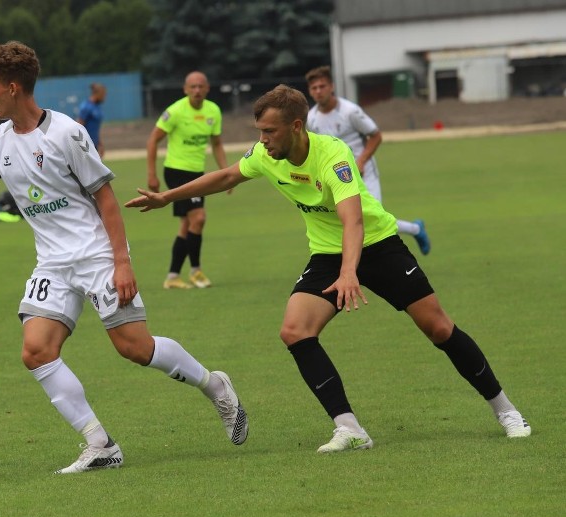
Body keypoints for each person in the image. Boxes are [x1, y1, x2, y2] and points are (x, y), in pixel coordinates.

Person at [0, 41, 248, 474]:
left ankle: (214, 384)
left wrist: (122, 262)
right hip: (52, 265)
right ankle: (100, 444)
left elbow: (106, 201)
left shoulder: (66, 133)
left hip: (97, 256)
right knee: (36, 351)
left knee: (135, 348)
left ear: (13, 88)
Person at [126, 84, 530, 452]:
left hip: (377, 246)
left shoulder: (333, 156)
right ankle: (349, 428)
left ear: (296, 126)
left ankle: (505, 409)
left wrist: (350, 271)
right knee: (295, 330)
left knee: (439, 328)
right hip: (326, 254)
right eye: (260, 131)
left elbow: (353, 221)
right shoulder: (266, 155)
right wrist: (167, 197)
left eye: (270, 131)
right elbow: (227, 174)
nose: (262, 140)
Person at [305, 66, 431, 255]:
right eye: (314, 88)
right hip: (337, 176)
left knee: (373, 218)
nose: (318, 91)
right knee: (348, 219)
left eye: (322, 86)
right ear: (310, 91)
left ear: (331, 87)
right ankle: (414, 229)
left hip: (364, 171)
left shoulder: (350, 111)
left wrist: (361, 161)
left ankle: (410, 236)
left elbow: (375, 135)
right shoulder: (312, 118)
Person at [147, 71, 229, 290]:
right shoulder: (174, 111)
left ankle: (173, 276)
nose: (197, 90)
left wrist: (226, 173)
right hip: (176, 172)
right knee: (199, 218)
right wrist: (152, 174)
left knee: (187, 224)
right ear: (185, 89)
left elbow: (217, 144)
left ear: (207, 89)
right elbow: (153, 140)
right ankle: (196, 271)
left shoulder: (213, 111)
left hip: (197, 173)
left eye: (201, 86)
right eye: (192, 87)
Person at [76, 83, 106, 158]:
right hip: (85, 147)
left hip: (94, 145)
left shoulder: (97, 107)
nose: (104, 97)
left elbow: (95, 128)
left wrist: (100, 143)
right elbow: (78, 127)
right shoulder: (86, 107)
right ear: (97, 93)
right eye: (103, 94)